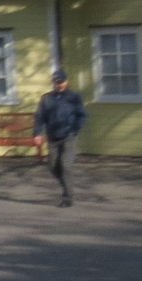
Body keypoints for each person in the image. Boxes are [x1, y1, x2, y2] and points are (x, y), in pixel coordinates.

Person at [32, 66, 87, 207]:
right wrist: (38, 133)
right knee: (52, 166)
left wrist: (76, 129)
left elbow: (82, 115)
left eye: (61, 81)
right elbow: (40, 117)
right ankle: (66, 186)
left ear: (66, 81)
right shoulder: (46, 99)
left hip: (69, 136)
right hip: (53, 138)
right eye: (56, 82)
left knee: (65, 166)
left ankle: (68, 197)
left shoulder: (74, 98)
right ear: (53, 83)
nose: (59, 84)